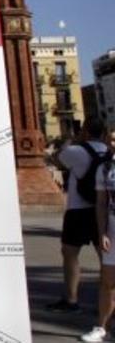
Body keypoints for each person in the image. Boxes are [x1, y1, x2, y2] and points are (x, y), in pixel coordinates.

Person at [50, 118, 111, 313]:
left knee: (70, 254)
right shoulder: (109, 152)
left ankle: (71, 300)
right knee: (105, 257)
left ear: (84, 131)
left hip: (78, 209)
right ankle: (108, 301)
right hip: (104, 210)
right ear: (104, 133)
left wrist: (73, 139)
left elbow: (56, 158)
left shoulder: (76, 151)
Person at [82, 151, 115, 342]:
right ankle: (103, 328)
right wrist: (102, 232)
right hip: (113, 232)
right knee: (108, 281)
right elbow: (101, 203)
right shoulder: (105, 169)